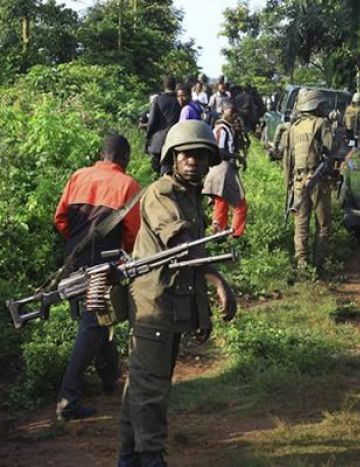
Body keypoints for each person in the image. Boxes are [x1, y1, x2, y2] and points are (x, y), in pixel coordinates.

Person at [118, 120, 236, 467]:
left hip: (171, 304)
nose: (193, 162)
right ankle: (150, 458)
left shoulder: (190, 197)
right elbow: (183, 246)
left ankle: (129, 458)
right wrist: (218, 280)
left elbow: (187, 264)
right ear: (172, 157)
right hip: (153, 306)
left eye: (200, 156)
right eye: (186, 155)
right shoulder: (161, 193)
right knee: (150, 389)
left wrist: (202, 314)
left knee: (143, 386)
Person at [54, 134, 141, 422]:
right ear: (124, 158)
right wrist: (121, 255)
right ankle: (69, 399)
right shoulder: (128, 185)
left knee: (100, 318)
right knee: (92, 325)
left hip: (74, 259)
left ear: (102, 154)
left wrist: (77, 247)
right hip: (105, 263)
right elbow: (132, 233)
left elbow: (61, 219)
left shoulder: (78, 176)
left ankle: (109, 377)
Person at [283, 89, 335, 269]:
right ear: (316, 105)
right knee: (323, 225)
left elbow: (287, 161)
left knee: (301, 224)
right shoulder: (322, 124)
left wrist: (289, 185)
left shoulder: (293, 128)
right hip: (317, 180)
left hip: (298, 181)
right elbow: (331, 152)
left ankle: (302, 264)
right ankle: (319, 264)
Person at [203, 98, 248, 237]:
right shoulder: (221, 129)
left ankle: (218, 233)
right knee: (240, 203)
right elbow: (220, 151)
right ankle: (235, 234)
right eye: (231, 111)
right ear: (223, 110)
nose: (234, 114)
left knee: (221, 202)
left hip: (221, 169)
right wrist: (237, 157)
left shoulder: (229, 127)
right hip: (223, 169)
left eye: (235, 112)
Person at [145, 76, 180, 174]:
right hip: (175, 140)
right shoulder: (180, 100)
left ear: (164, 86)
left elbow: (151, 121)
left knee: (157, 171)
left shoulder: (158, 100)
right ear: (175, 86)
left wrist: (148, 136)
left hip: (158, 141)